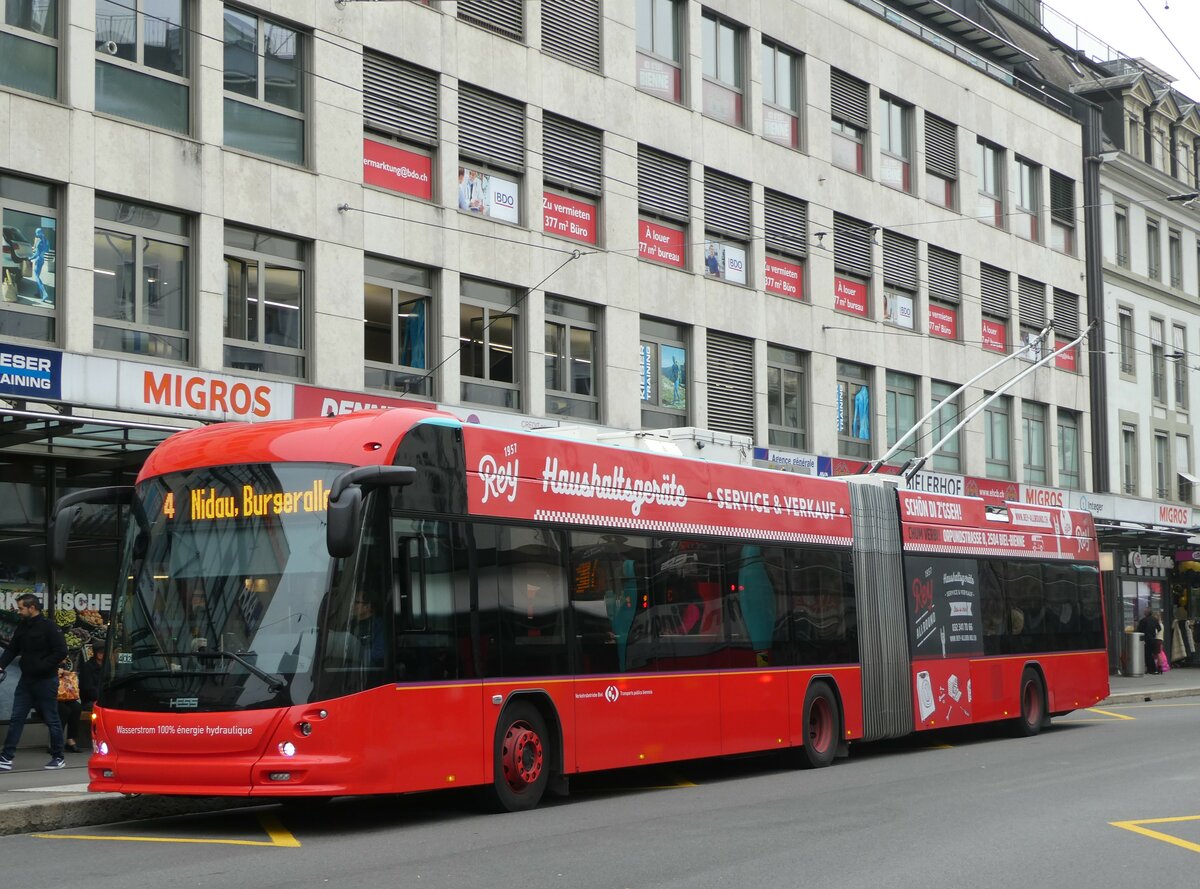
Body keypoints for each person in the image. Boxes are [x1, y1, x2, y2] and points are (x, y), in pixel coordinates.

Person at [0, 593, 68, 770]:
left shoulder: (49, 627)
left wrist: (43, 666)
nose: (19, 611)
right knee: (16, 718)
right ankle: (6, 758)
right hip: (27, 680)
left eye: (22, 608)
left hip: (46, 680)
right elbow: (13, 648)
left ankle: (58, 756)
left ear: (32, 608)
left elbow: (61, 651)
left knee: (52, 719)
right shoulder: (23, 626)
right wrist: (1, 665)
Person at [55, 656, 81, 754]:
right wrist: (57, 672)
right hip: (49, 698)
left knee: (76, 707)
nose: (64, 661)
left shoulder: (66, 666)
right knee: (64, 710)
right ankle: (56, 741)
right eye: (63, 658)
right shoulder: (48, 662)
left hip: (64, 697)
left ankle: (71, 739)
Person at [352, 596, 386, 668]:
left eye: (356, 602)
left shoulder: (379, 625)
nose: (352, 604)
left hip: (369, 672)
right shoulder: (350, 623)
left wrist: (355, 652)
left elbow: (379, 654)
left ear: (367, 606)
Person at [1137, 608, 1163, 675]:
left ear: (1146, 613)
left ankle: (1150, 669)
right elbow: (1159, 628)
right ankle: (1154, 669)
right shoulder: (1155, 620)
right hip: (1153, 639)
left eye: (1144, 612)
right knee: (1153, 654)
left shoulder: (1143, 620)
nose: (1144, 613)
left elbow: (1139, 630)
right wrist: (1154, 633)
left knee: (1147, 655)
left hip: (1146, 639)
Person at [31, 227, 50, 305]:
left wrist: (30, 258)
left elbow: (36, 254)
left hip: (38, 260)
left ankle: (44, 293)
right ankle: (38, 293)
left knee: (37, 277)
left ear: (38, 233)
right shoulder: (46, 240)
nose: (36, 234)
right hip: (42, 260)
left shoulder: (39, 242)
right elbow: (47, 250)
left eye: (36, 233)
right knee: (38, 275)